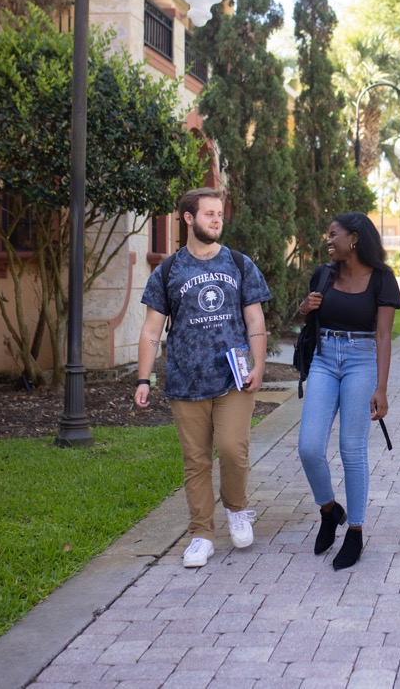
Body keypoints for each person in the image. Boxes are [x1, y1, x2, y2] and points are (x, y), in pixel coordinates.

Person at [135, 188, 272, 569]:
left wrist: (258, 364)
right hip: (185, 379)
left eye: (219, 214)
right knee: (195, 461)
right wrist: (143, 378)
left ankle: (237, 508)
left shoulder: (240, 264)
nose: (216, 220)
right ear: (188, 218)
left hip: (233, 377)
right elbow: (151, 329)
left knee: (232, 449)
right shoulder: (167, 271)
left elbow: (255, 320)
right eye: (209, 214)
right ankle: (201, 534)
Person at [295, 213, 400, 570]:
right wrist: (304, 309)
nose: (328, 240)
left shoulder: (383, 279)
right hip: (325, 359)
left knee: (351, 448)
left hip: (361, 360)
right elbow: (307, 319)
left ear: (354, 238)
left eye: (333, 235)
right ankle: (329, 510)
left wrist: (382, 387)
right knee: (309, 447)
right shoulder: (324, 274)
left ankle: (354, 531)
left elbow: (384, 336)